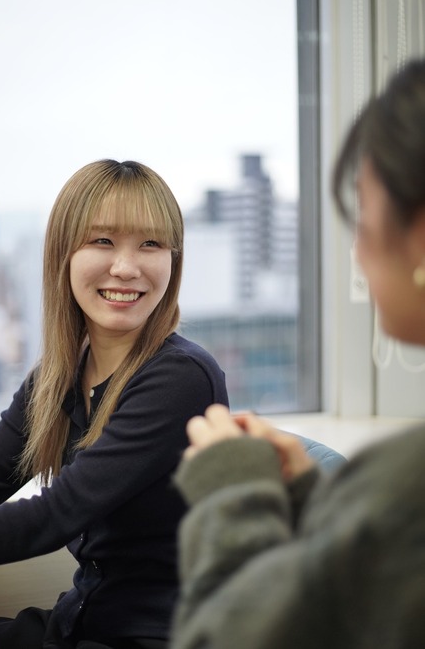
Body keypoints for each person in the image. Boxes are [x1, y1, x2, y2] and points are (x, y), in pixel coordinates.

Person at [170, 58, 425, 649]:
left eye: (362, 212)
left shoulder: (406, 486)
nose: (357, 248)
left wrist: (232, 495)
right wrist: (317, 500)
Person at [0, 159, 229, 649]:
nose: (126, 267)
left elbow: (53, 516)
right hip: (78, 625)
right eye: (103, 240)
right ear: (63, 254)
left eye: (150, 244)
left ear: (173, 260)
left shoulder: (180, 378)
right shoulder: (59, 375)